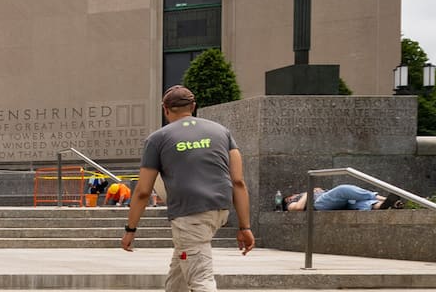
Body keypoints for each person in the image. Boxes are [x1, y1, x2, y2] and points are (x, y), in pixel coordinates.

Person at [122, 85, 254, 292]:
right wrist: (244, 227)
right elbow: (238, 181)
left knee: (201, 280)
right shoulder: (221, 132)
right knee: (179, 275)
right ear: (193, 106)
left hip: (190, 215)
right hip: (219, 210)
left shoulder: (157, 139)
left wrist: (130, 229)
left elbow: (143, 191)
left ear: (165, 109)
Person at [282, 185, 401, 211]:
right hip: (319, 204)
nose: (294, 194)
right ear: (288, 199)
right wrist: (308, 193)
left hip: (331, 199)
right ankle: (384, 199)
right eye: (291, 195)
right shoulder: (291, 202)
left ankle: (382, 205)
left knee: (357, 202)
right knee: (343, 189)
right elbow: (298, 208)